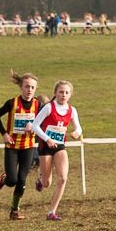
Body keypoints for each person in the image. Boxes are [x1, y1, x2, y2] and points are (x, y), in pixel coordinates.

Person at [0, 71, 47, 220]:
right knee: (12, 180)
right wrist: (4, 134)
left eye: (32, 88)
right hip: (12, 147)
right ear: (21, 87)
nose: (29, 90)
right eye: (27, 86)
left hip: (28, 147)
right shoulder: (12, 103)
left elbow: (44, 121)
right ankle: (4, 179)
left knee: (22, 179)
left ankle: (14, 210)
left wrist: (34, 126)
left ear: (35, 89)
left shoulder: (38, 105)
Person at [32, 80, 82, 221]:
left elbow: (78, 127)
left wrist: (76, 133)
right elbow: (35, 125)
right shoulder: (48, 108)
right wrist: (47, 139)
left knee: (63, 178)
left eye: (66, 92)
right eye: (60, 92)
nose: (63, 95)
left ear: (70, 95)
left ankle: (51, 212)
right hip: (45, 145)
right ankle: (41, 179)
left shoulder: (72, 110)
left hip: (60, 145)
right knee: (47, 182)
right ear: (55, 93)